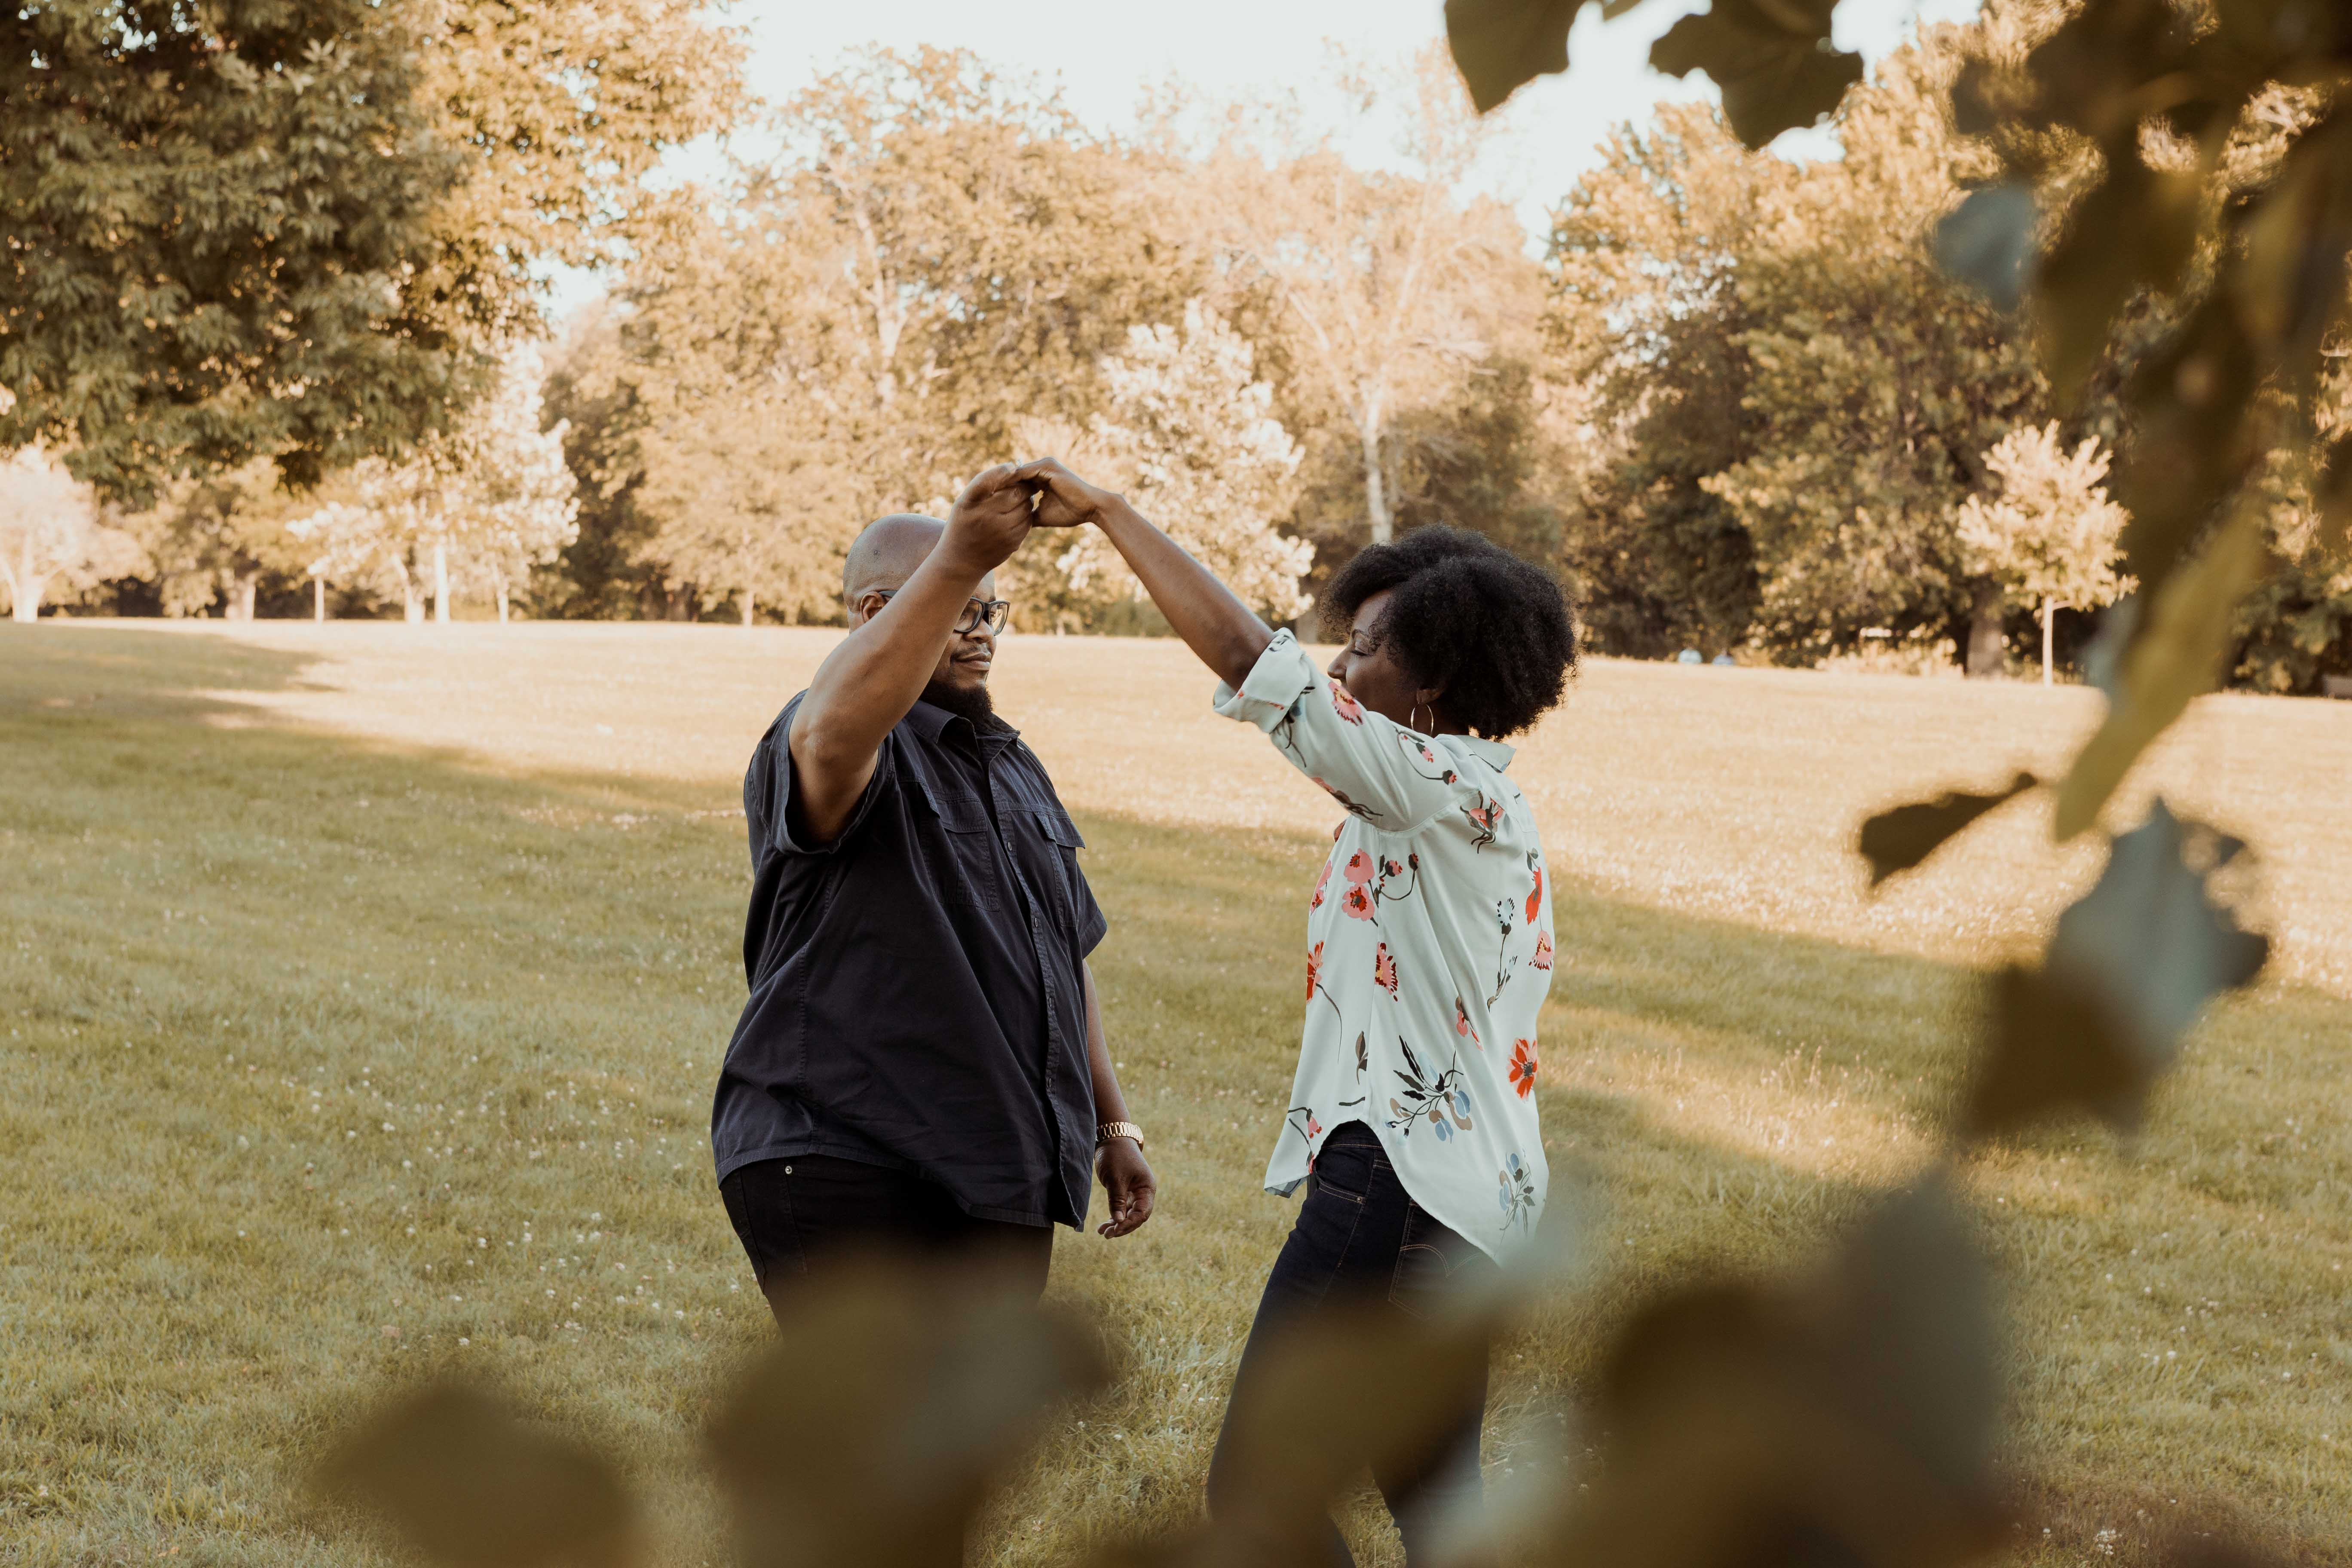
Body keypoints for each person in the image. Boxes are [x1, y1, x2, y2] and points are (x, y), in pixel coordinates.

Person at [1014, 456, 1575, 1567]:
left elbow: (1248, 660)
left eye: (1364, 650)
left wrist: (1111, 514)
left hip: (1401, 1181)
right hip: (1474, 1202)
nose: (1337, 666)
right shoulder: (1467, 796)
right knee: (1437, 1503)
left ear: (1433, 689)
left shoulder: (1430, 788)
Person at [710, 464, 1155, 1312]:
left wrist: (1112, 1124)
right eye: (958, 608)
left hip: (1000, 1168)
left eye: (992, 609)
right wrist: (958, 555)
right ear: (876, 616)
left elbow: (1062, 956)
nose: (982, 631)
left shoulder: (1014, 764)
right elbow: (835, 729)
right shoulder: (830, 734)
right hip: (846, 1149)